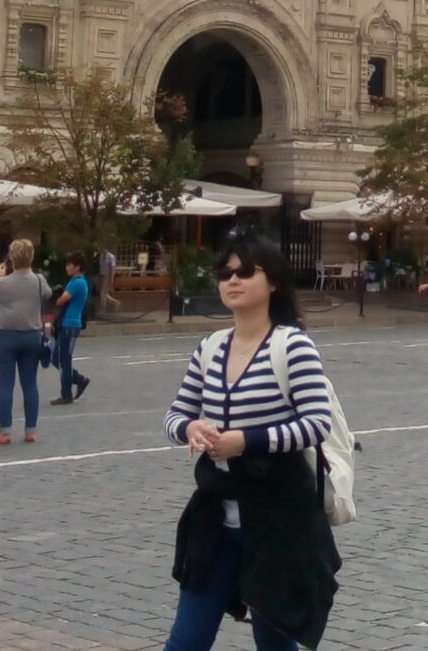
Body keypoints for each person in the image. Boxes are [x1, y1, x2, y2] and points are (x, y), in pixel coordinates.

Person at [162, 234, 341, 651]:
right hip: (216, 518)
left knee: (275, 643)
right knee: (186, 641)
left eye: (244, 272)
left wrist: (246, 441)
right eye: (225, 273)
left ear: (273, 281)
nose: (232, 281)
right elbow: (174, 416)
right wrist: (190, 429)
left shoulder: (292, 345)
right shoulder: (210, 347)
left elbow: (317, 423)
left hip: (277, 520)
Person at [0, 239, 50, 444]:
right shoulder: (39, 280)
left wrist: (0, 277)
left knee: (5, 384)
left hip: (6, 336)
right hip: (31, 335)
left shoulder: (3, 282)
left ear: (11, 258)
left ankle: (5, 432)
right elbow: (48, 294)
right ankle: (30, 430)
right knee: (30, 384)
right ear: (31, 257)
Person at [50, 252, 91, 405]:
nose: (66, 267)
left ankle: (66, 394)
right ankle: (79, 379)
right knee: (57, 358)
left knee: (64, 360)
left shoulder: (77, 283)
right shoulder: (75, 282)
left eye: (69, 264)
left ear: (77, 266)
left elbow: (61, 301)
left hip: (70, 324)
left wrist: (57, 296)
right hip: (66, 323)